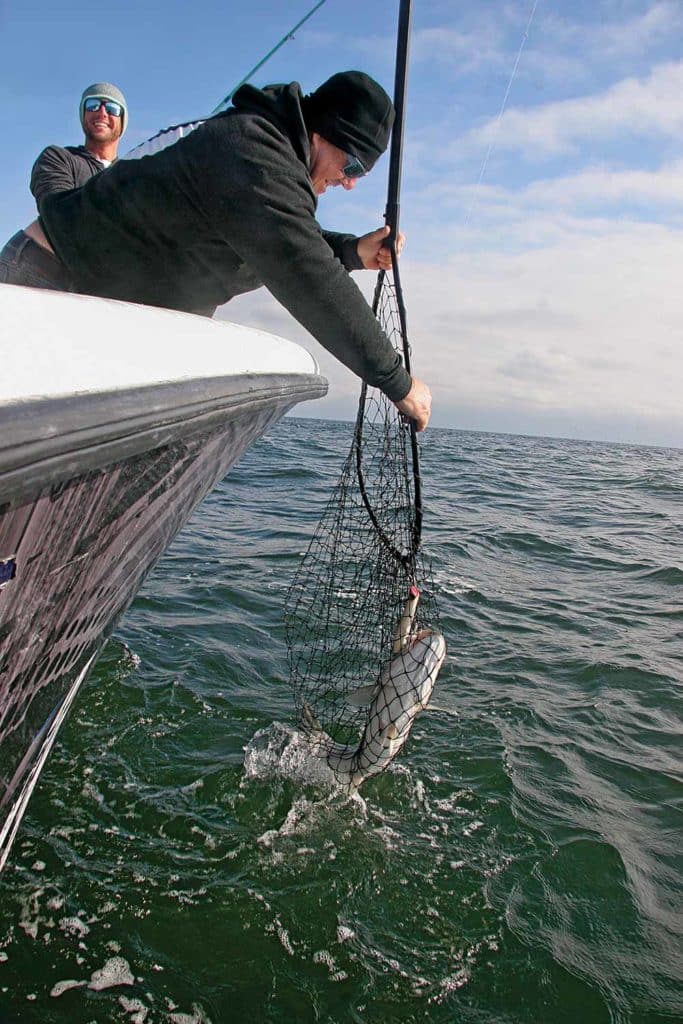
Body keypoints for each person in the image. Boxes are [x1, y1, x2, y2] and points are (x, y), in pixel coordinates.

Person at [0, 71, 431, 430]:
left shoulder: (266, 166)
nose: (350, 181)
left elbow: (283, 235)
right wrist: (398, 382)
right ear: (323, 133)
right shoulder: (254, 151)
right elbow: (306, 272)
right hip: (48, 279)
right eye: (352, 165)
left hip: (101, 303)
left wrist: (355, 250)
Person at [30, 82, 128, 204]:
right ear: (83, 115)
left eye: (112, 108)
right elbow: (57, 211)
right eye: (93, 105)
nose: (102, 113)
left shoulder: (130, 174)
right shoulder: (58, 158)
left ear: (122, 121)